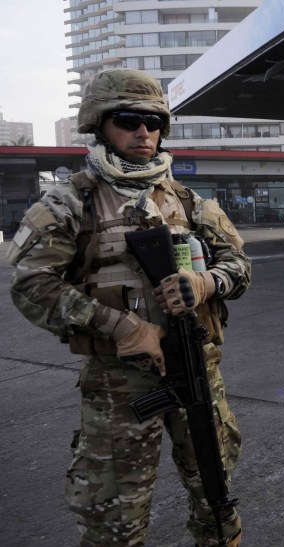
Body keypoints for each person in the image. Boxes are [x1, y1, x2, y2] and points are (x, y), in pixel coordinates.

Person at [6, 68, 251, 546]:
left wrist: (205, 284)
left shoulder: (186, 200)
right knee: (114, 520)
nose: (144, 132)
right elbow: (32, 284)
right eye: (128, 119)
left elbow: (239, 265)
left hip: (198, 368)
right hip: (119, 385)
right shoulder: (72, 202)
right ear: (100, 125)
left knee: (216, 502)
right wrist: (119, 326)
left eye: (154, 122)